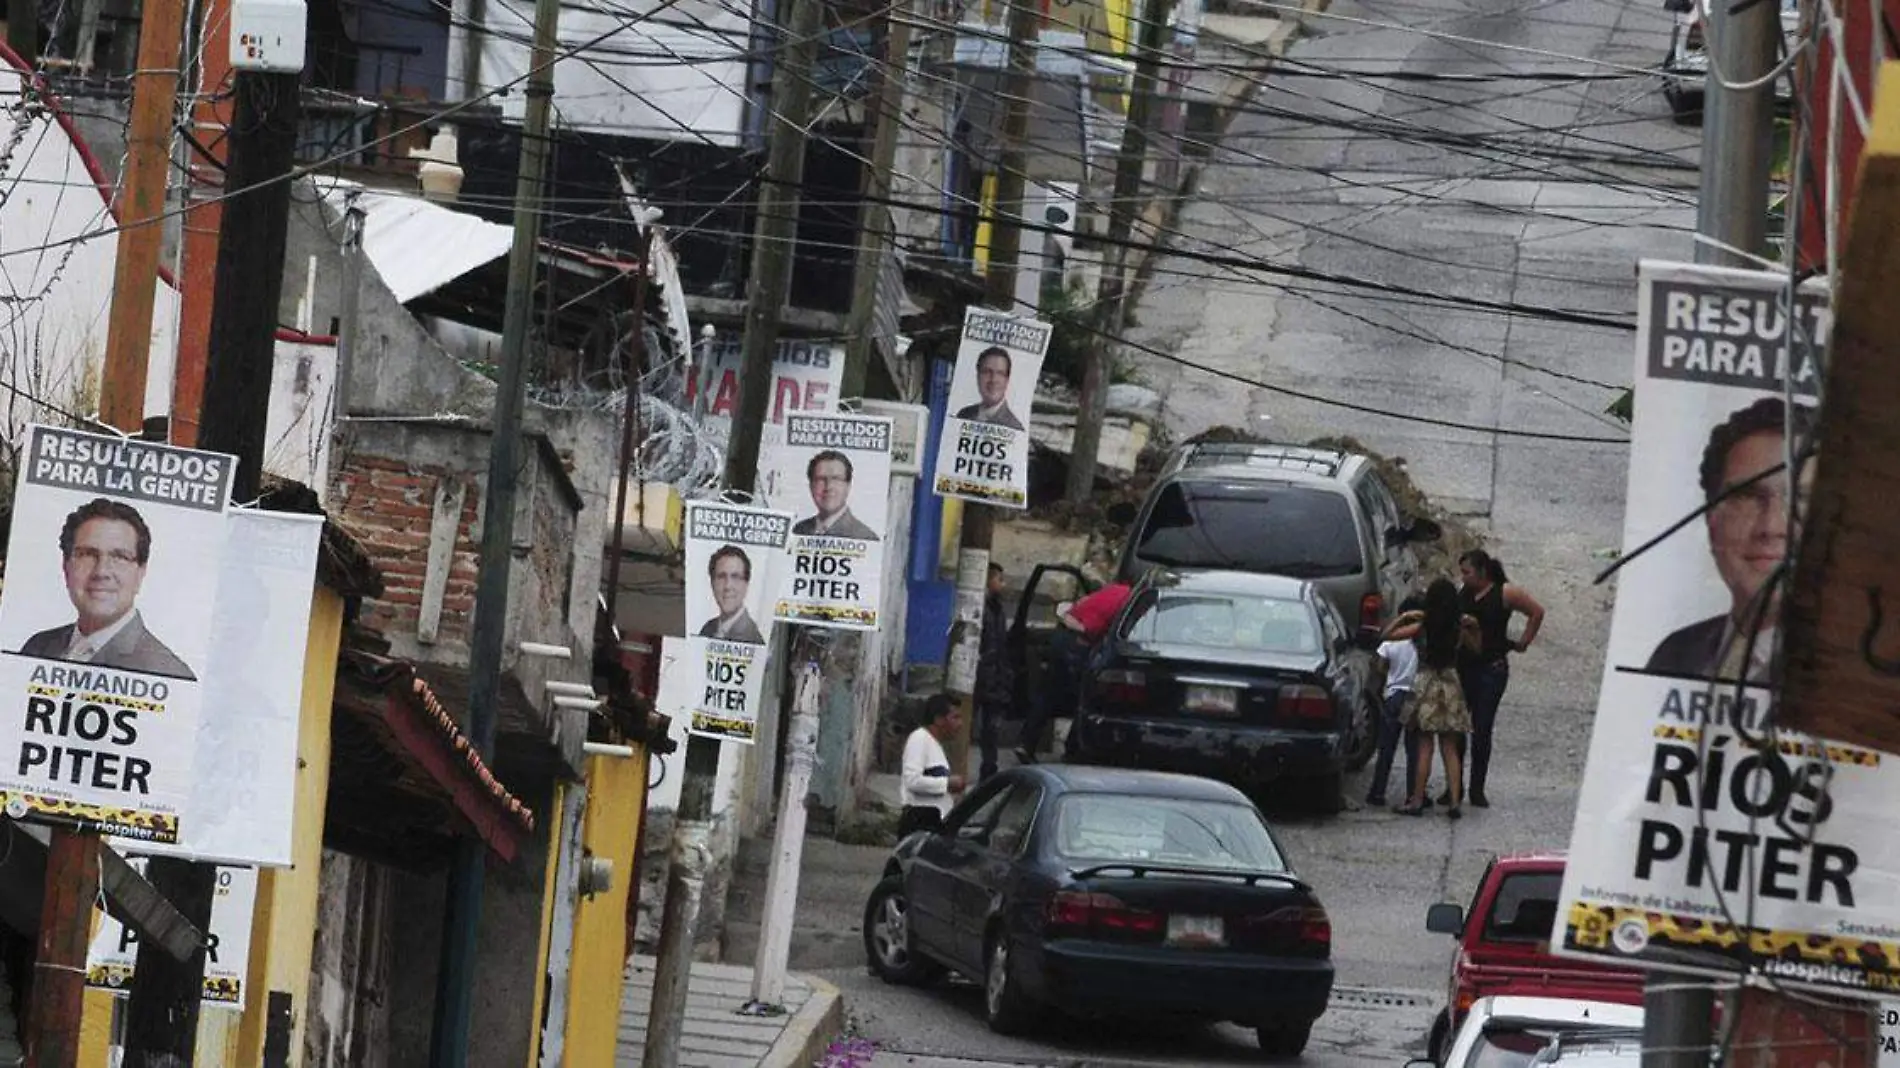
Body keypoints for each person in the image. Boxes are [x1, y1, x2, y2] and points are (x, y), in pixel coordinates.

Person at [1645, 396, 1814, 684]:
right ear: (1711, 521)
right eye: (1747, 496)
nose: (1771, 526)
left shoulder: (1863, 683)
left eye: (1802, 499)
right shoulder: (1675, 654)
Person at [19, 498, 193, 679]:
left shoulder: (167, 673)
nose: (101, 572)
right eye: (87, 555)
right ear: (66, 566)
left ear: (141, 571)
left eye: (120, 557)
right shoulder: (37, 647)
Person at [1452, 549, 1543, 809]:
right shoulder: (1464, 593)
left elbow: (1536, 612)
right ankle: (1454, 785)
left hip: (1491, 669)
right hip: (1464, 667)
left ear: (1482, 571)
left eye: (1467, 572)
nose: (1464, 578)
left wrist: (1523, 642)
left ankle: (1477, 788)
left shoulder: (1504, 593)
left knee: (1482, 728)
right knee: (1457, 728)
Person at [1016, 579, 1134, 765]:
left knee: (1048, 694)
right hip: (1078, 642)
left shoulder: (1114, 589)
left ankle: (1026, 743)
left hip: (1062, 634)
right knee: (1086, 696)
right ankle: (1073, 750)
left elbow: (1082, 604)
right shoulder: (1131, 602)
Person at [1397, 579, 1477, 818]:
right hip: (1451, 684)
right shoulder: (1458, 629)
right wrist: (1475, 628)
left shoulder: (1423, 627)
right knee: (1450, 747)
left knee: (1424, 747)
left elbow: (1387, 635)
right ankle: (1454, 802)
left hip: (1426, 684)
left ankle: (1417, 799)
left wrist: (1404, 618)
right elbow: (1476, 648)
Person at [1366, 594, 1424, 808]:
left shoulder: (1392, 641)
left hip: (1393, 696)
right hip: (1415, 696)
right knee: (1414, 749)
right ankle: (1414, 793)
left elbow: (1379, 668)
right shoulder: (1423, 642)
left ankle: (1378, 791)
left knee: (1387, 747)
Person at [899, 694, 966, 837]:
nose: (960, 724)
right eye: (955, 717)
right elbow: (912, 781)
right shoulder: (919, 739)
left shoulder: (935, 745)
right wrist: (947, 784)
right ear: (939, 719)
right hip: (920, 822)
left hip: (933, 822)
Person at [974, 563, 1014, 781]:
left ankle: (989, 769)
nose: (1003, 584)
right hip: (981, 675)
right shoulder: (981, 609)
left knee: (991, 730)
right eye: (999, 579)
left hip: (994, 676)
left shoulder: (997, 609)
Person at [791, 451, 879, 540]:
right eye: (820, 479)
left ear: (848, 485)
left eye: (836, 479)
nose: (828, 487)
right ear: (811, 486)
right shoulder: (798, 530)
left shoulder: (865, 537)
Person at [696, 545, 766, 644]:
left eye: (735, 577)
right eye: (721, 577)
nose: (728, 586)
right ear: (712, 583)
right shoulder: (708, 628)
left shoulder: (752, 638)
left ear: (746, 585)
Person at [954, 346, 1026, 431]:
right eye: (987, 372)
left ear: (1007, 380)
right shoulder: (963, 415)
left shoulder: (1014, 428)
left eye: (1000, 373)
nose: (993, 379)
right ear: (978, 376)